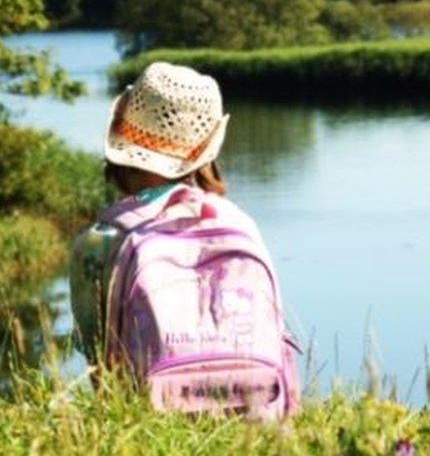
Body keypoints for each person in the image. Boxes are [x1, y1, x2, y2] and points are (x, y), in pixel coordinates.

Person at [69, 62, 298, 418]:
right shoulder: (239, 223)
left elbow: (98, 360)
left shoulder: (99, 242)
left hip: (150, 424)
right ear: (205, 152)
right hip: (258, 421)